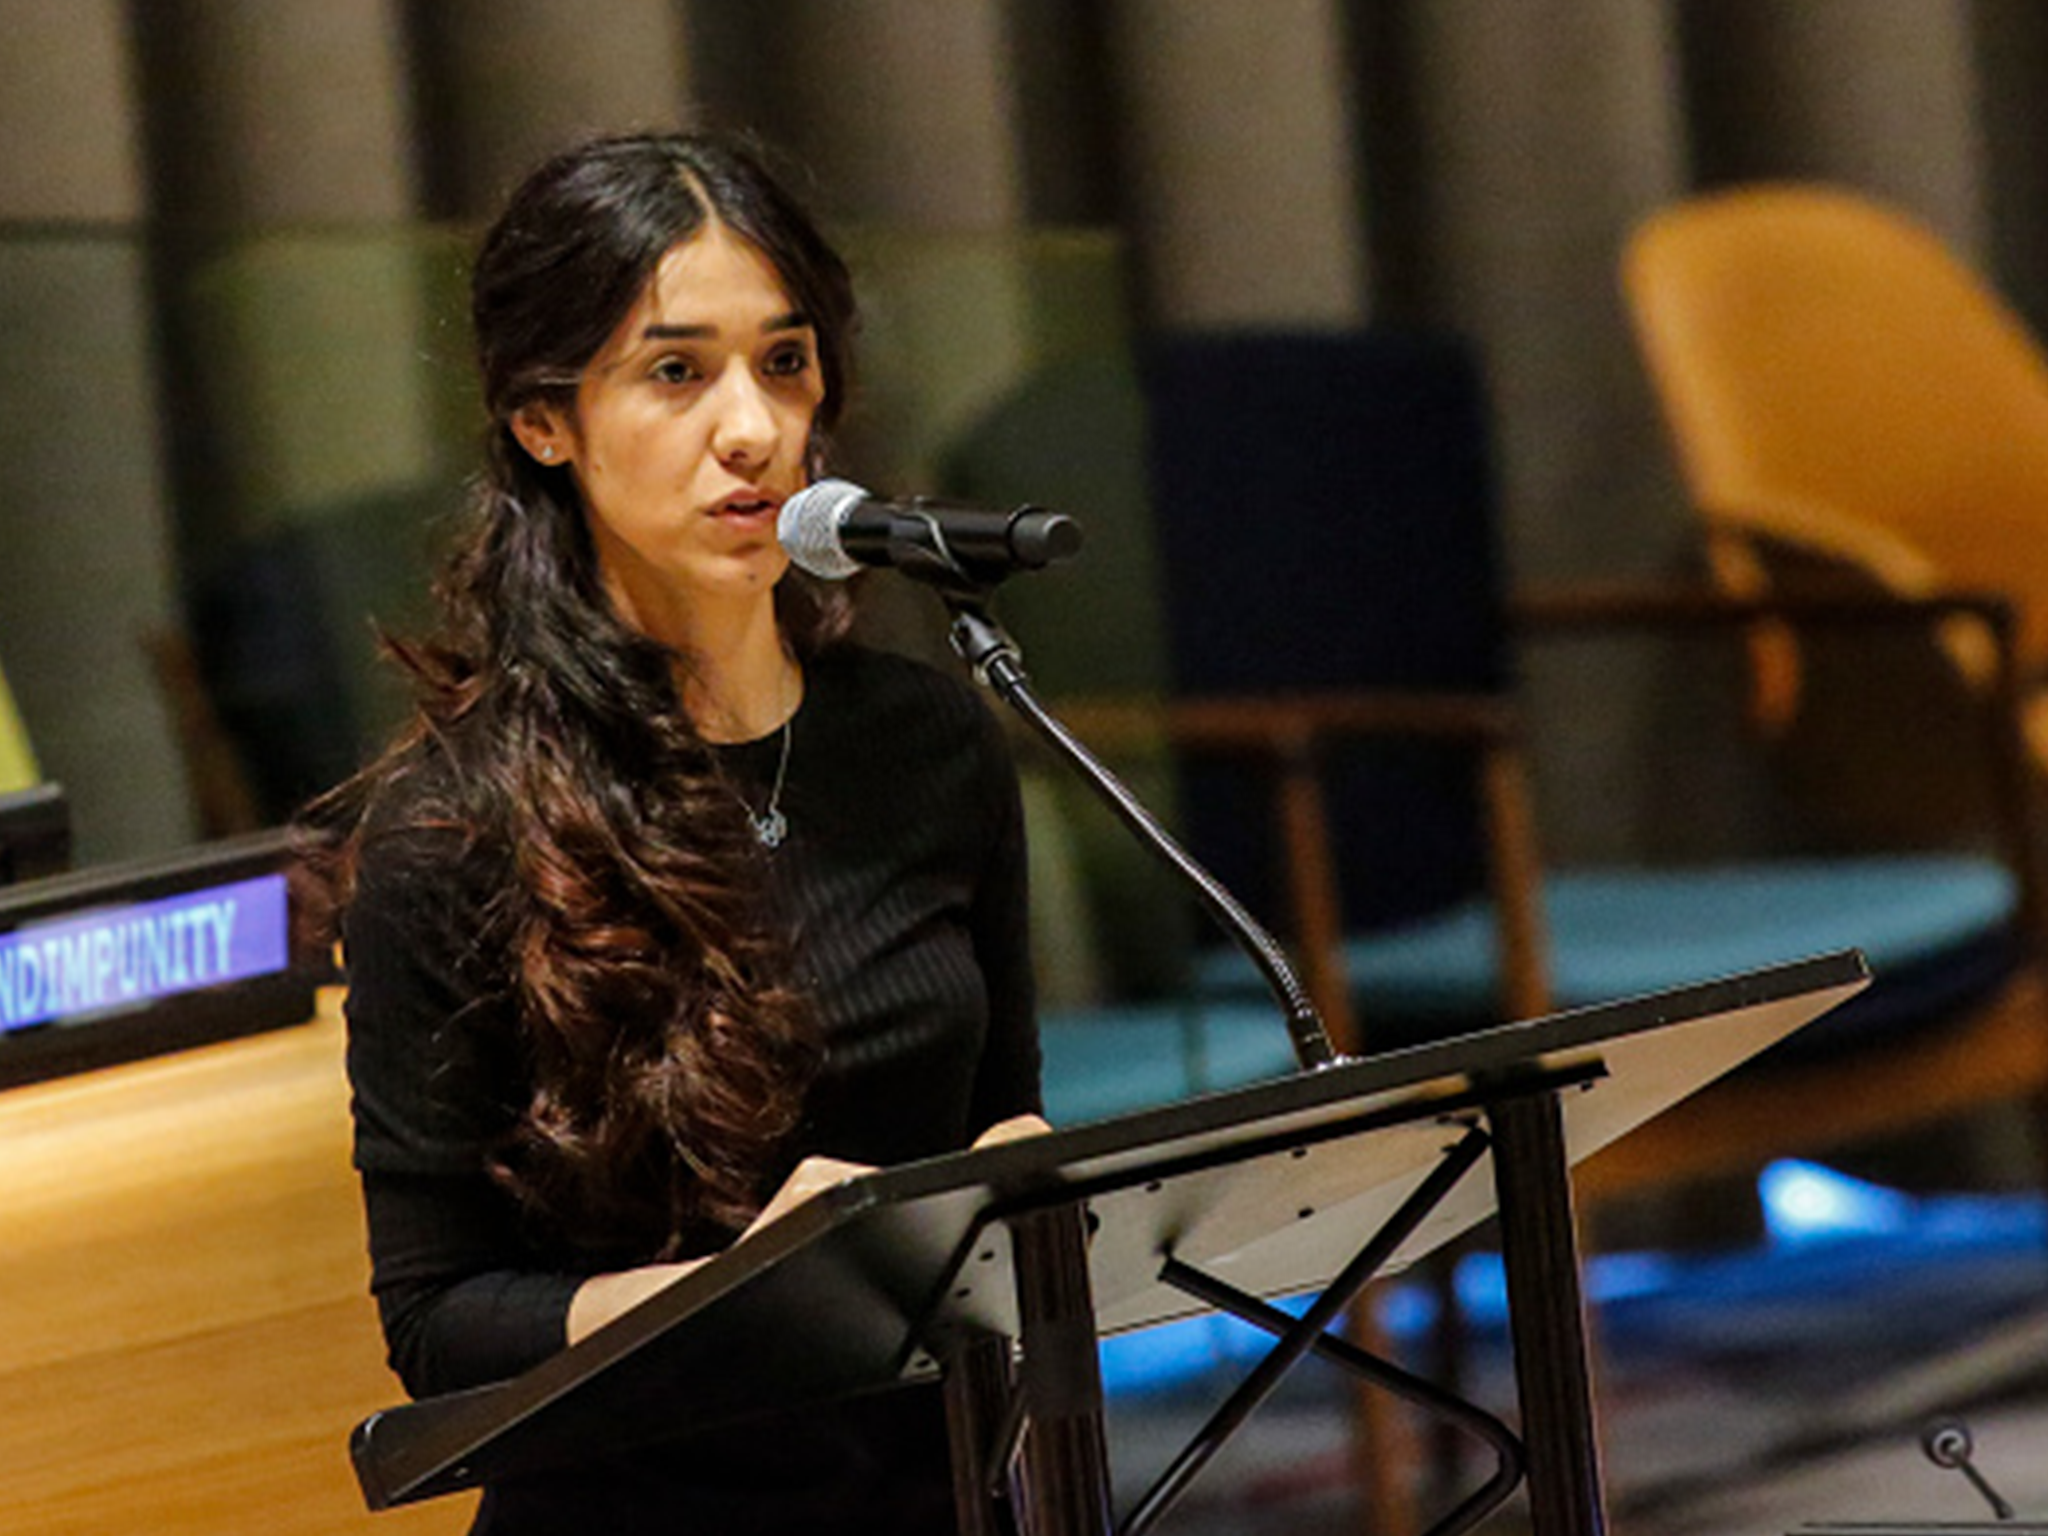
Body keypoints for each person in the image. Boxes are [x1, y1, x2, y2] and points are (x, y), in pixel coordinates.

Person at [296, 129, 1042, 1535]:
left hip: (934, 1492)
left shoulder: (929, 742)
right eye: (676, 371)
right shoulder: (450, 830)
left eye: (786, 361)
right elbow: (440, 1320)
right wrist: (759, 1289)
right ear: (543, 421)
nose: (752, 428)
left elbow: (1000, 1115)